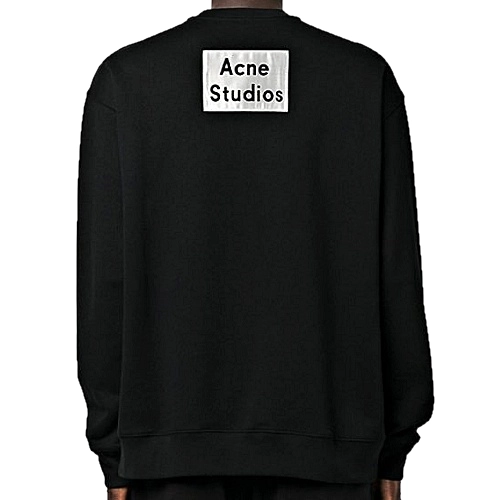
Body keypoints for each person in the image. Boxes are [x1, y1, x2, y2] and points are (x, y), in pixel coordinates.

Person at [76, 0, 434, 499]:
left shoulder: (128, 80)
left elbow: (104, 284)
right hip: (330, 451)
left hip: (170, 455)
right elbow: (396, 274)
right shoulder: (361, 78)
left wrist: (115, 453)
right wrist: (391, 449)